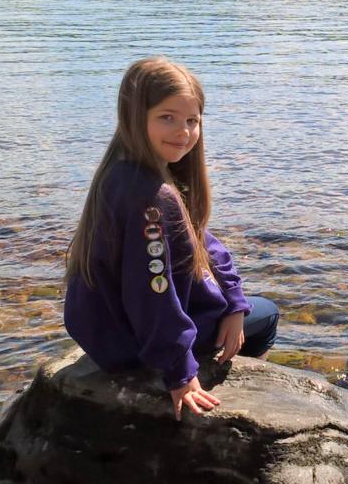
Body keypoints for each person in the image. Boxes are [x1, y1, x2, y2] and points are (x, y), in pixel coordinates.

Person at [64, 57, 279, 421]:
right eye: (167, 117)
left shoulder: (123, 173)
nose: (183, 132)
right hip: (132, 345)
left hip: (108, 332)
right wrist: (180, 372)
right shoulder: (150, 198)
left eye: (192, 121)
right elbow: (153, 294)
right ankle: (234, 376)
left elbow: (204, 243)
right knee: (269, 315)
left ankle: (220, 350)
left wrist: (234, 302)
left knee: (245, 309)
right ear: (135, 116)